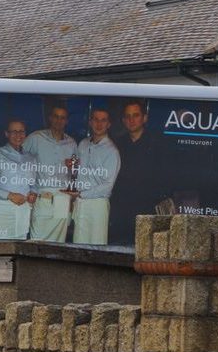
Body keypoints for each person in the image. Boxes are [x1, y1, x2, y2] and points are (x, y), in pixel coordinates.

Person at [108, 99, 169, 243]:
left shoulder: (158, 143)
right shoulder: (117, 144)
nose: (131, 120)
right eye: (128, 116)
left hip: (147, 211)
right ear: (123, 120)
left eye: (135, 115)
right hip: (121, 212)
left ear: (144, 118)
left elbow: (166, 176)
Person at [22, 100, 78, 242]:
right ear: (50, 118)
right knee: (37, 241)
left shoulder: (72, 143)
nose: (59, 121)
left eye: (63, 117)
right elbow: (19, 158)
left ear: (67, 121)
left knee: (59, 243)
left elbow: (76, 173)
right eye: (56, 116)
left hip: (63, 198)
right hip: (43, 197)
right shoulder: (36, 137)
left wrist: (74, 169)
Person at [70, 106, 121, 245]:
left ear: (108, 124)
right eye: (96, 120)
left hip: (98, 205)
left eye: (103, 120)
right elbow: (77, 173)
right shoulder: (83, 144)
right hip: (80, 203)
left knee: (96, 246)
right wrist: (72, 167)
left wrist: (81, 194)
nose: (99, 124)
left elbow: (108, 186)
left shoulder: (112, 151)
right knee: (78, 245)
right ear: (90, 122)